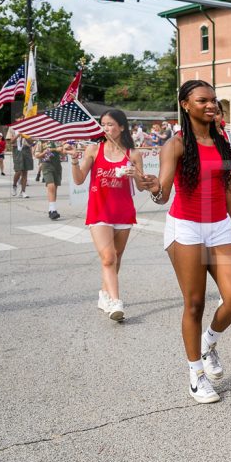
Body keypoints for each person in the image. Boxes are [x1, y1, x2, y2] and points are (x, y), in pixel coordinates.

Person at [137, 79, 231, 405]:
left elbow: (229, 190)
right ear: (186, 104)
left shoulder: (223, 142)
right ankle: (196, 375)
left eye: (213, 100)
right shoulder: (176, 144)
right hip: (185, 228)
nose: (211, 106)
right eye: (202, 101)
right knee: (195, 303)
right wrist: (151, 186)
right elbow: (163, 193)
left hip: (220, 228)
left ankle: (208, 342)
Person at [70, 109, 144, 322]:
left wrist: (136, 174)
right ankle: (115, 302)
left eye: (110, 124)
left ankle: (104, 295)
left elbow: (141, 187)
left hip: (123, 212)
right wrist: (75, 162)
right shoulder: (94, 149)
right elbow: (79, 180)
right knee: (108, 257)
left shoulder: (133, 154)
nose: (106, 128)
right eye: (103, 124)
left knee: (116, 257)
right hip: (99, 211)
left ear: (121, 127)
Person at [34, 139, 70, 220]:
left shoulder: (58, 140)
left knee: (55, 187)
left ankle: (52, 209)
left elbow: (63, 155)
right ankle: (53, 210)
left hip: (57, 165)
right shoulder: (41, 142)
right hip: (47, 165)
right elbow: (36, 155)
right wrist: (44, 152)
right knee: (51, 186)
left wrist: (64, 148)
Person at [9, 128, 32, 198]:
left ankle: (23, 191)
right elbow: (11, 142)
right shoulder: (12, 129)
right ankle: (14, 185)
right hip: (16, 149)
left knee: (25, 171)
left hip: (26, 149)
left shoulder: (28, 127)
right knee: (18, 170)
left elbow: (31, 142)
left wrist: (25, 136)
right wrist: (18, 135)